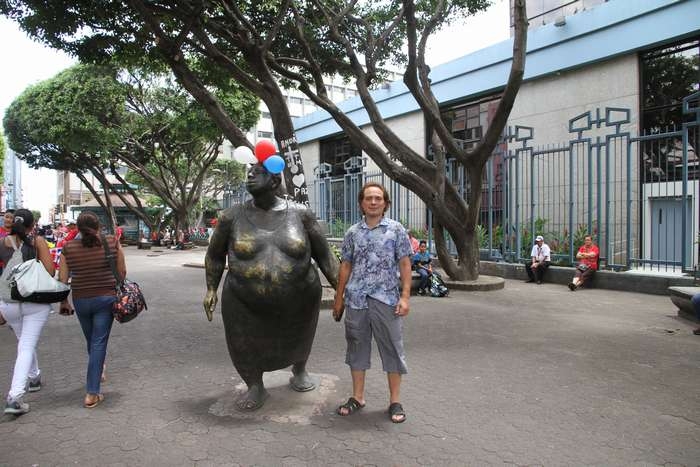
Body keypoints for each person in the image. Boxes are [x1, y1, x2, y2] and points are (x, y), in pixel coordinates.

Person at [203, 163, 338, 411]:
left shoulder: (301, 214)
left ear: (275, 182)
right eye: (249, 173)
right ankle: (255, 385)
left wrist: (341, 291)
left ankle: (299, 369)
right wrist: (211, 288)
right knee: (242, 342)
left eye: (258, 173)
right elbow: (214, 255)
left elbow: (325, 255)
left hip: (299, 297)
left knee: (300, 335)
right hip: (243, 299)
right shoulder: (231, 216)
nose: (250, 176)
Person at [333, 182, 413, 423]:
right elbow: (345, 265)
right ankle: (357, 397)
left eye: (378, 198)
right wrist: (339, 298)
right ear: (361, 203)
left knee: (392, 348)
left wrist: (405, 297)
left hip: (387, 299)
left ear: (385, 203)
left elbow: (405, 264)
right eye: (369, 198)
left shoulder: (396, 230)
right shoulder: (352, 233)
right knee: (357, 347)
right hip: (357, 300)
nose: (373, 202)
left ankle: (395, 401)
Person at [59, 211, 126, 409]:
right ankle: (92, 392)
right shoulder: (112, 242)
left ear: (77, 228)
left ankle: (99, 369)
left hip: (80, 300)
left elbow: (62, 279)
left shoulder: (68, 247)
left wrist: (64, 302)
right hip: (105, 298)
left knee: (92, 339)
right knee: (98, 342)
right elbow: (122, 273)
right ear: (99, 226)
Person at [1, 209, 55, 415]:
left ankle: (34, 378)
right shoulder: (38, 242)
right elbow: (50, 271)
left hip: (8, 302)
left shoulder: (2, 243)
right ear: (33, 225)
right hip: (34, 301)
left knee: (24, 341)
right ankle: (15, 397)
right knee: (26, 345)